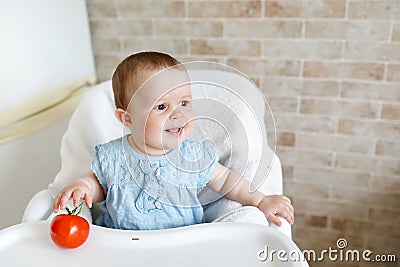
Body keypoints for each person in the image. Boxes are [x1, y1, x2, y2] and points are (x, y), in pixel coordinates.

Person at [53, 51, 294, 230]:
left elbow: (226, 181)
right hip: (123, 247)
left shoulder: (192, 155)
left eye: (184, 103)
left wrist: (261, 199)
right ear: (127, 118)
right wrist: (84, 187)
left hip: (182, 245)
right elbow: (100, 185)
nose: (177, 114)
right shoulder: (113, 155)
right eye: (161, 107)